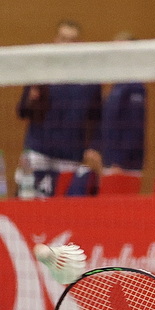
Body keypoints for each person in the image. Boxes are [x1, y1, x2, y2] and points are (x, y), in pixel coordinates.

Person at [14, 20, 102, 198]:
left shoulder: (90, 79)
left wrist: (93, 147)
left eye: (73, 40)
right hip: (37, 152)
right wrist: (30, 99)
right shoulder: (40, 72)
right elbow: (22, 111)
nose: (67, 44)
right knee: (26, 203)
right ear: (56, 40)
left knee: (63, 210)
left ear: (80, 44)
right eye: (63, 38)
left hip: (70, 157)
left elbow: (97, 117)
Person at [81, 32, 147, 179]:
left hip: (125, 167)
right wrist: (94, 147)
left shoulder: (135, 86)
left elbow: (134, 127)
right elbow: (106, 123)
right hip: (109, 162)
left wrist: (120, 162)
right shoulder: (115, 87)